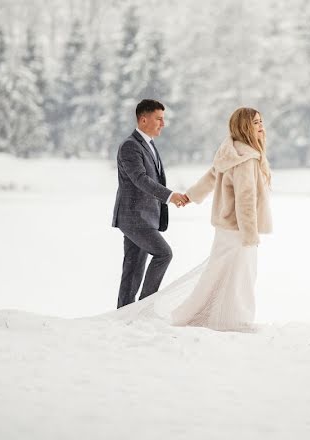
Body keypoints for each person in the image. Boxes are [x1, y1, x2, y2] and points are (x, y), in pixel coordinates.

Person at [169, 107, 273, 331]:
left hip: (226, 228)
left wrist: (190, 196)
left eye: (261, 121)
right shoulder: (247, 159)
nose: (261, 126)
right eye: (255, 123)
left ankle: (206, 315)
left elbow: (211, 177)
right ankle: (237, 319)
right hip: (239, 230)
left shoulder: (229, 153)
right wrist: (250, 235)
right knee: (242, 276)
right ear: (245, 127)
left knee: (218, 274)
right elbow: (245, 199)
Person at [112, 99, 189, 309]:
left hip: (145, 218)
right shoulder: (130, 146)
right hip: (134, 217)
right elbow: (140, 179)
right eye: (159, 119)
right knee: (164, 253)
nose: (162, 124)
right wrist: (170, 195)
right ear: (144, 119)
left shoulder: (149, 145)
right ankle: (144, 308)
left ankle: (124, 315)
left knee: (133, 269)